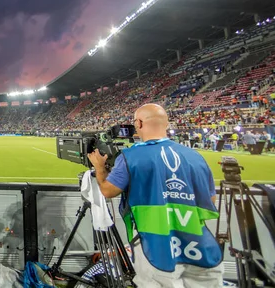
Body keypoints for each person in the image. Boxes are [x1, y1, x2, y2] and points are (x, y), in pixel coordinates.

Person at [87, 103, 224, 287]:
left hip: (154, 248)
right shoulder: (195, 156)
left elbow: (108, 191)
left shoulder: (131, 156)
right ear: (166, 124)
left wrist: (99, 167)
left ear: (139, 123)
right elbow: (211, 200)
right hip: (200, 247)